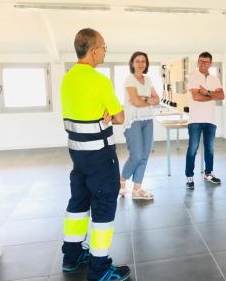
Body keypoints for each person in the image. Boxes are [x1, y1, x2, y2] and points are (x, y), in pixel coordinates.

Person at [60, 28, 130, 281]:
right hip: (100, 156)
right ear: (93, 50)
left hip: (77, 155)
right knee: (103, 205)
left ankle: (72, 255)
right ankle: (99, 268)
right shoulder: (99, 80)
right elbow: (120, 117)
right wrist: (110, 115)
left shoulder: (67, 78)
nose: (104, 51)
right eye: (104, 47)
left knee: (78, 202)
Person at [120, 52, 160, 199]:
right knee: (136, 156)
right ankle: (122, 179)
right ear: (132, 63)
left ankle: (137, 190)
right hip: (133, 121)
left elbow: (157, 100)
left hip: (148, 120)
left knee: (144, 156)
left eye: (143, 61)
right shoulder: (129, 80)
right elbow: (135, 102)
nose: (141, 64)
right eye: (137, 61)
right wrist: (148, 100)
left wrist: (144, 98)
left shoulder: (148, 80)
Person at [185, 52, 225, 189]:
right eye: (201, 61)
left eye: (206, 62)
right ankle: (189, 177)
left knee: (210, 149)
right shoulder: (193, 76)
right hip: (195, 119)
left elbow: (222, 95)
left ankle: (208, 174)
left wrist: (207, 92)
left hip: (210, 119)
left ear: (210, 63)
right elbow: (196, 97)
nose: (203, 64)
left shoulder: (215, 79)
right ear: (198, 62)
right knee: (193, 148)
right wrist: (213, 95)